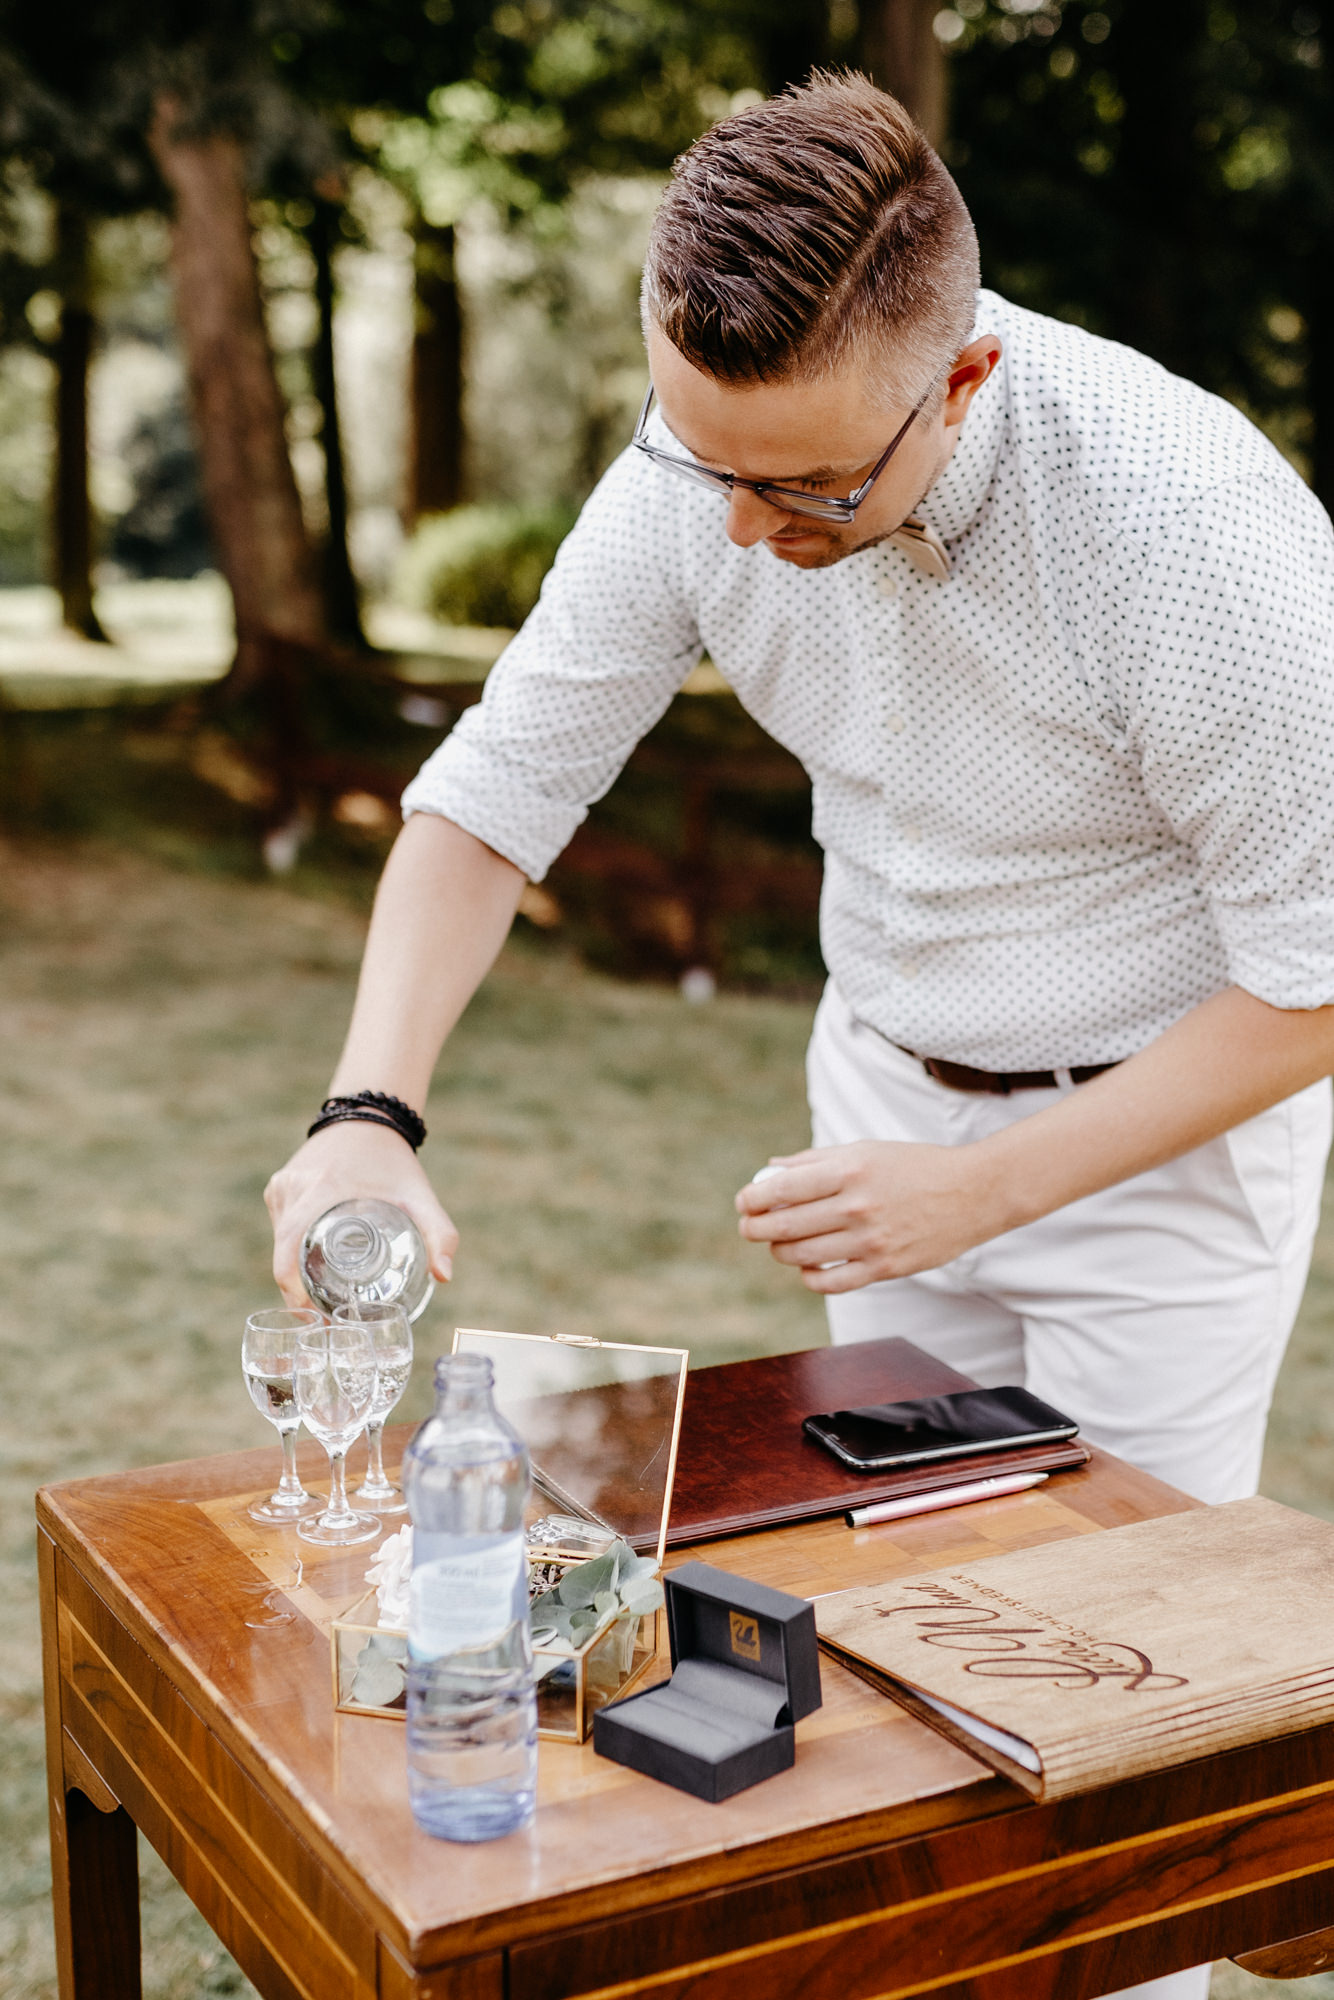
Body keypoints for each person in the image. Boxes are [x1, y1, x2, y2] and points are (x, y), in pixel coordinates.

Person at [267, 75, 1334, 2000]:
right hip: (882, 1108)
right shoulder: (704, 469)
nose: (741, 532)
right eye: (708, 464)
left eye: (807, 488)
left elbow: (1316, 978)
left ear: (964, 384)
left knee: (1109, 1700)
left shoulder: (1196, 537)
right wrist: (367, 1108)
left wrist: (985, 1191)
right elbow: (493, 795)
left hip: (1152, 1155)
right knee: (911, 1630)